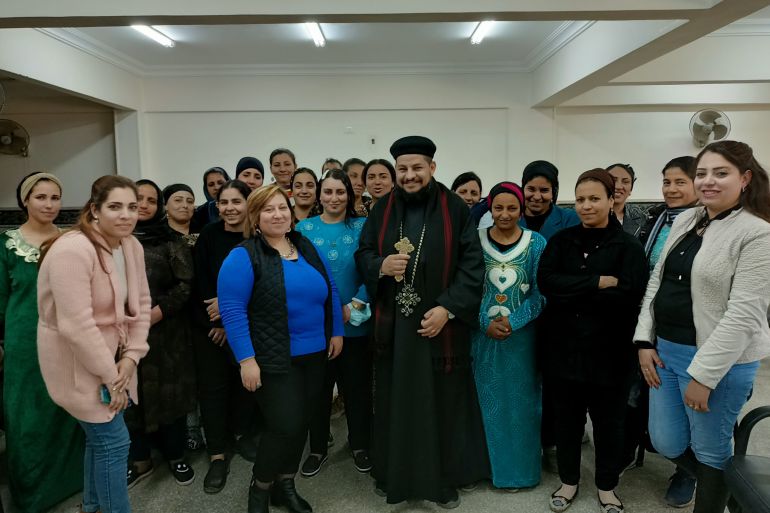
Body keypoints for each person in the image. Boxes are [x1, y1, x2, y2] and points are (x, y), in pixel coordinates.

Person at [634, 140, 770, 513]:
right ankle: (734, 491)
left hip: (717, 361)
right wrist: (644, 340)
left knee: (711, 451)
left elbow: (743, 315)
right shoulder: (687, 218)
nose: (708, 181)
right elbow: (656, 283)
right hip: (666, 351)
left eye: (721, 173)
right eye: (702, 173)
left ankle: (715, 500)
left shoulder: (757, 233)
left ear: (744, 178)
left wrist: (706, 375)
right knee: (665, 440)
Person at [356, 135, 489, 508]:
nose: (409, 176)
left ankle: (442, 481)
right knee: (394, 403)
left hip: (439, 328)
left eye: (417, 168)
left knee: (442, 407)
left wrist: (447, 309)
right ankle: (392, 474)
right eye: (403, 169)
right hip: (394, 329)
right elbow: (364, 252)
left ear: (432, 167)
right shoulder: (381, 210)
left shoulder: (455, 208)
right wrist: (380, 265)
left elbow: (472, 265)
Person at [218, 184, 344, 513]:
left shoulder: (305, 246)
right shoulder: (243, 256)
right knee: (283, 425)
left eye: (282, 208)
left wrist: (337, 332)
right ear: (255, 218)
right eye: (268, 209)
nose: (278, 214)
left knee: (301, 423)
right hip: (273, 357)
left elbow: (330, 288)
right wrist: (246, 360)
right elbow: (232, 311)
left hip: (315, 353)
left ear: (291, 215)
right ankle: (259, 489)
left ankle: (284, 486)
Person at [37, 175, 151, 513]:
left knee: (100, 440)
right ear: (94, 210)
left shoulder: (131, 245)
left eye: (132, 207)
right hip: (75, 361)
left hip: (116, 359)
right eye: (114, 206)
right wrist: (110, 377)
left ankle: (91, 506)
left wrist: (131, 357)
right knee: (114, 443)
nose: (126, 215)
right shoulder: (72, 249)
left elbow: (142, 304)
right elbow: (76, 325)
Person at [538, 169, 647, 513]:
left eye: (594, 198)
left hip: (610, 353)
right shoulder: (561, 241)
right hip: (563, 351)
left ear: (611, 199)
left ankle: (607, 487)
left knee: (609, 424)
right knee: (566, 422)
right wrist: (597, 282)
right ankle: (569, 482)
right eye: (581, 199)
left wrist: (572, 289)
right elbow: (546, 283)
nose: (586, 206)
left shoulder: (628, 247)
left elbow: (631, 295)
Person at [0, 172, 84, 513]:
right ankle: (31, 495)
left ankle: (70, 483)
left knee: (64, 411)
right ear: (25, 201)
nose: (49, 204)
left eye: (54, 197)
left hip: (67, 338)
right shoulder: (7, 245)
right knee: (25, 418)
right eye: (41, 197)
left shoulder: (71, 240)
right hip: (23, 343)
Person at [626, 156, 698, 508]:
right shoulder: (655, 218)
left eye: (679, 182)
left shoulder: (707, 225)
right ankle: (641, 445)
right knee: (645, 395)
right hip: (648, 321)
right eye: (667, 181)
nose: (671, 189)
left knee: (692, 408)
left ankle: (688, 472)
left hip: (690, 332)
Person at [297, 169, 372, 477]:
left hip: (355, 323)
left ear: (349, 195)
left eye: (340, 192)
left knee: (357, 390)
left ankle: (360, 444)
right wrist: (327, 310)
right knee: (317, 391)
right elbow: (299, 275)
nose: (334, 198)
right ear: (319, 195)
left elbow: (372, 268)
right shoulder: (303, 228)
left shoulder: (363, 227)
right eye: (327, 192)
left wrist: (354, 303)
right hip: (318, 327)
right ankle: (317, 448)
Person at [472, 182, 546, 492]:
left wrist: (513, 321)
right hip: (482, 338)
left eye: (511, 208)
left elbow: (542, 293)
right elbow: (466, 288)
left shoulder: (536, 243)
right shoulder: (473, 243)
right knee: (484, 405)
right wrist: (482, 321)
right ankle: (484, 469)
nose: (504, 214)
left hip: (521, 340)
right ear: (489, 208)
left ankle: (520, 473)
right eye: (498, 208)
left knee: (522, 406)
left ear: (521, 209)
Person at [126, 180, 196, 489]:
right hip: (122, 334)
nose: (143, 204)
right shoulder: (111, 240)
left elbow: (185, 284)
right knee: (131, 396)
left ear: (159, 206)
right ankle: (140, 459)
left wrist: (155, 313)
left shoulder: (169, 241)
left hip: (166, 333)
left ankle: (176, 454)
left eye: (150, 200)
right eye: (137, 199)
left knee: (172, 394)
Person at [191, 179, 256, 493]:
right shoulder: (208, 235)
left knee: (246, 386)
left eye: (236, 201)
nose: (229, 208)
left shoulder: (256, 237)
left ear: (248, 203)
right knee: (214, 389)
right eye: (223, 202)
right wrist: (217, 324)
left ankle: (243, 436)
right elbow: (201, 281)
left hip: (248, 325)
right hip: (212, 329)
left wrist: (231, 315)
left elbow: (263, 282)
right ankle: (217, 454)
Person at [607, 163, 646, 238]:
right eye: (613, 180)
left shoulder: (642, 219)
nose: (618, 186)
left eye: (625, 182)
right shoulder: (588, 215)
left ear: (631, 189)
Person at [192, 167, 231, 232]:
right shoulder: (200, 213)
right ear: (206, 189)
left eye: (220, 183)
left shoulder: (242, 206)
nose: (216, 187)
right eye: (211, 184)